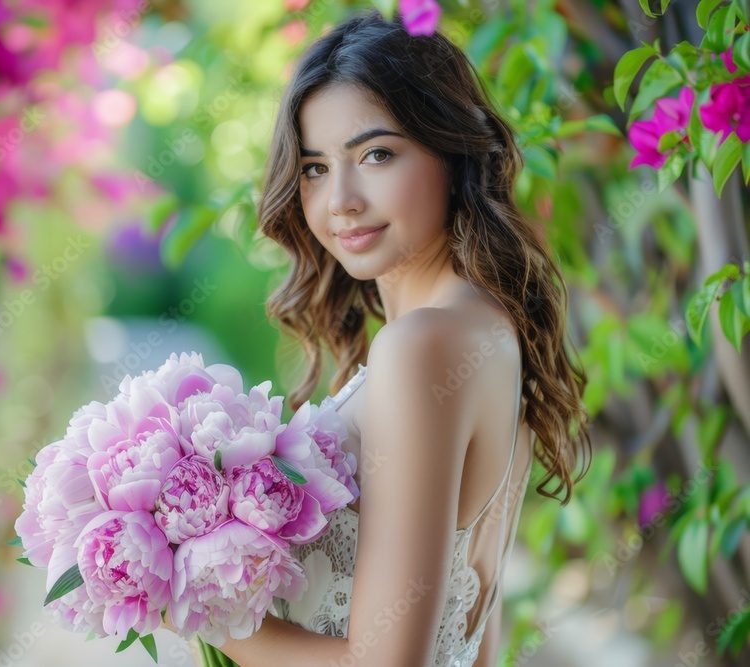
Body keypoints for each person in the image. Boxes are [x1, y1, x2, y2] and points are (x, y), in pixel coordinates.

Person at [162, 8, 592, 666]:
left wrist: (188, 599)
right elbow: (476, 640)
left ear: (452, 151)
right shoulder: (485, 331)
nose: (341, 200)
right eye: (314, 168)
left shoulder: (422, 347)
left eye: (376, 154)